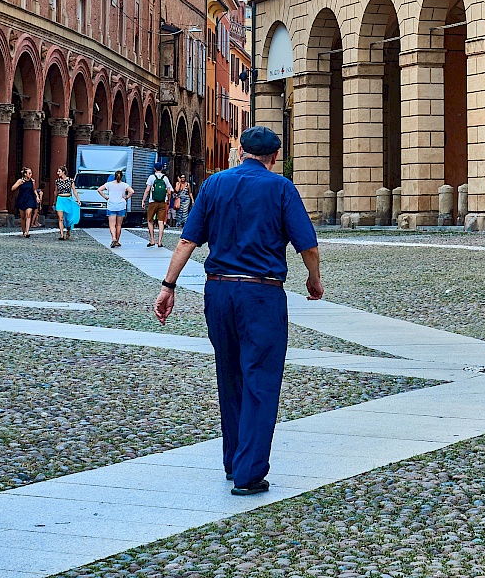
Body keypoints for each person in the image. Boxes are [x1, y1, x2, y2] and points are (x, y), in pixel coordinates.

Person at [154, 126, 323, 497]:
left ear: (242, 151)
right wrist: (314, 280)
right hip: (261, 294)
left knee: (229, 375)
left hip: (218, 291)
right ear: (274, 157)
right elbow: (307, 246)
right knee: (260, 379)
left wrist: (168, 286)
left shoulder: (215, 184)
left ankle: (234, 460)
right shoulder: (280, 188)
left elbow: (187, 239)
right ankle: (248, 473)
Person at [98, 169, 134, 247]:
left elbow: (99, 189)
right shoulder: (124, 185)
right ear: (121, 177)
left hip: (111, 205)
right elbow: (132, 191)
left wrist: (106, 197)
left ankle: (114, 238)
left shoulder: (109, 184)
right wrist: (126, 197)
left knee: (112, 224)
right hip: (121, 206)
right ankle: (117, 241)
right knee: (118, 225)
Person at [143, 162, 173, 247]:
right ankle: (159, 241)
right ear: (162, 169)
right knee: (161, 221)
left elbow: (147, 190)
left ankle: (152, 240)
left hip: (153, 201)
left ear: (154, 169)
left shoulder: (151, 177)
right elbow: (169, 191)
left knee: (150, 220)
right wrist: (169, 200)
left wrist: (143, 200)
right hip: (163, 202)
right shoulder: (165, 178)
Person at [11, 167, 39, 238]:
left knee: (28, 214)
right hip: (22, 199)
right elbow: (13, 188)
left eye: (31, 173)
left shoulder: (32, 181)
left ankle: (27, 231)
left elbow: (34, 189)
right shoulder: (20, 180)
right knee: (23, 217)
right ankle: (23, 231)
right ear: (25, 174)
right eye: (29, 173)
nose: (31, 174)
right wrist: (19, 184)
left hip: (30, 198)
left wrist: (37, 197)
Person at [53, 168, 79, 240]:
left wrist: (78, 200)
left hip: (68, 199)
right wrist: (54, 201)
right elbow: (55, 191)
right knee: (60, 218)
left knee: (68, 218)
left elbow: (74, 190)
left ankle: (68, 231)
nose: (58, 173)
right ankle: (61, 234)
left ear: (63, 172)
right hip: (60, 199)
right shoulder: (57, 181)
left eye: (59, 171)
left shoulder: (70, 180)